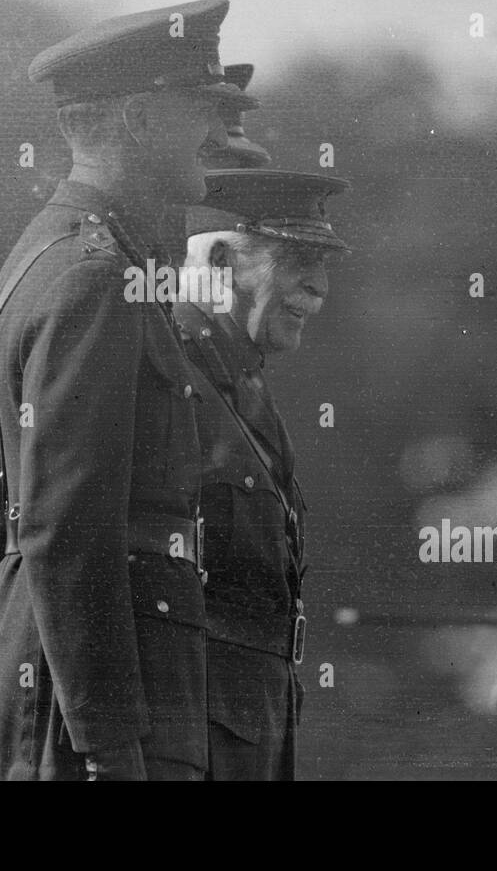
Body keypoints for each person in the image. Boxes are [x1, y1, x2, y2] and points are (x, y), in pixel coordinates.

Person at [0, 0, 256, 781]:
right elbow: (65, 527)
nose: (218, 135)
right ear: (141, 121)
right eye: (201, 111)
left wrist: (13, 656)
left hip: (42, 699)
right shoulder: (99, 279)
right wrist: (107, 746)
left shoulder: (50, 257)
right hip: (86, 734)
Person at [174, 163, 349, 779]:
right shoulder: (168, 380)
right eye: (297, 258)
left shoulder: (241, 388)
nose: (320, 287)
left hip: (245, 733)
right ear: (220, 263)